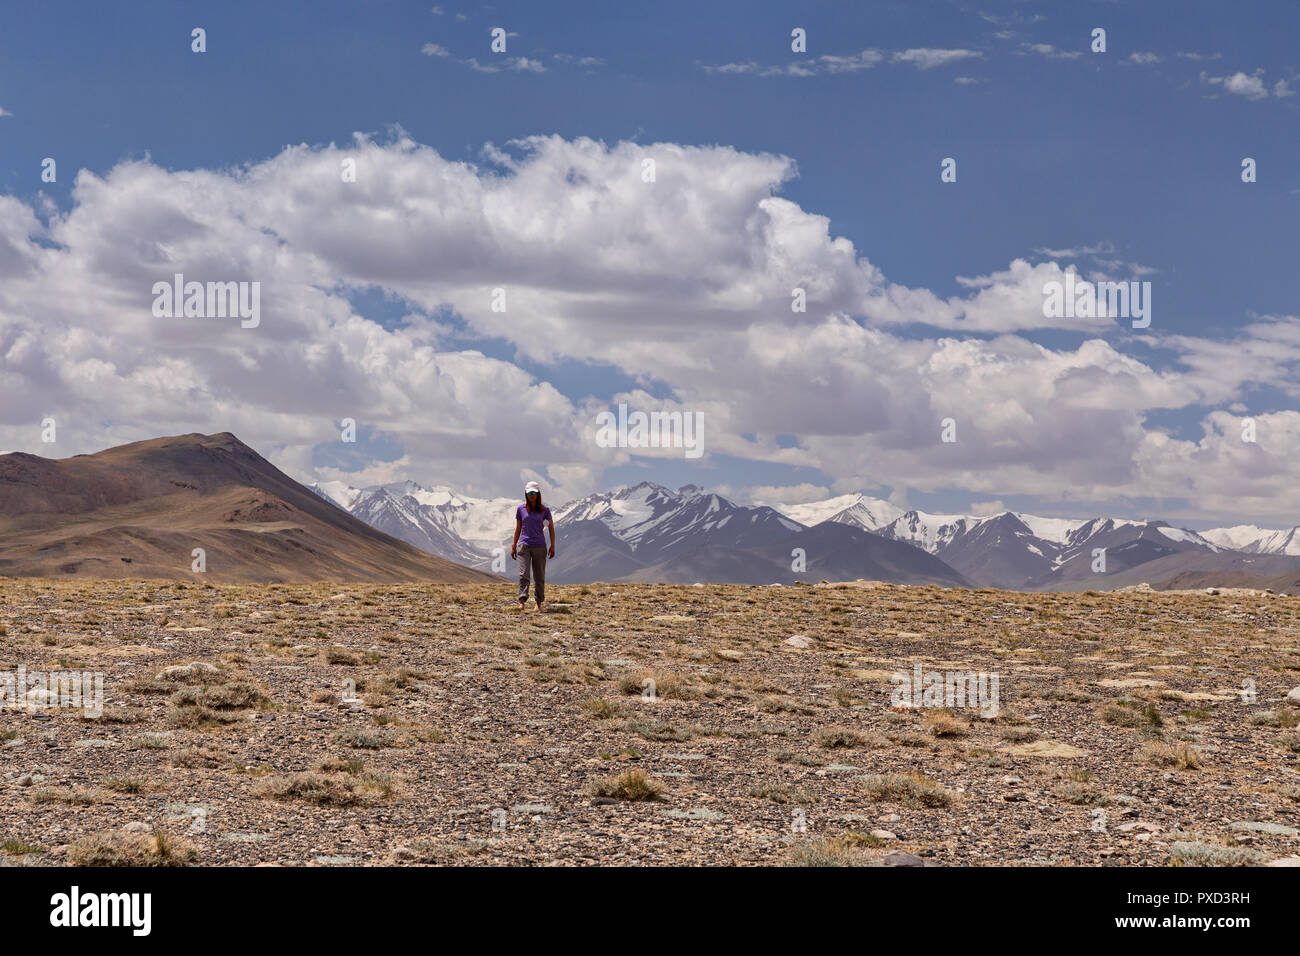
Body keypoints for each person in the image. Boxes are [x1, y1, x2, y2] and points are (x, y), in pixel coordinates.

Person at [511, 480, 555, 611]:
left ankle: (538, 602)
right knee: (523, 574)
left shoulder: (545, 510)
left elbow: (551, 528)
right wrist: (514, 545)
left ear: (538, 494)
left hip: (540, 546)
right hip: (524, 545)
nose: (531, 495)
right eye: (529, 492)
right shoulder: (521, 509)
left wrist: (553, 545)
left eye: (534, 493)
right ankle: (522, 601)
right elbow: (518, 528)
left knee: (539, 576)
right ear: (526, 493)